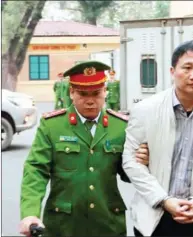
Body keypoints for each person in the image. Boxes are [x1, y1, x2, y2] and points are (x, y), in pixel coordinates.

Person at [19, 61, 149, 237]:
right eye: (82, 94)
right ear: (71, 92)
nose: (90, 101)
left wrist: (143, 163)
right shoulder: (53, 126)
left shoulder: (120, 126)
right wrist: (30, 213)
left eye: (96, 93)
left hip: (107, 224)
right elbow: (36, 170)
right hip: (63, 225)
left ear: (105, 92)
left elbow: (128, 173)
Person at [122, 40, 193, 237]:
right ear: (172, 71)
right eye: (187, 67)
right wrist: (165, 200)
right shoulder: (145, 110)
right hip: (155, 217)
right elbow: (130, 161)